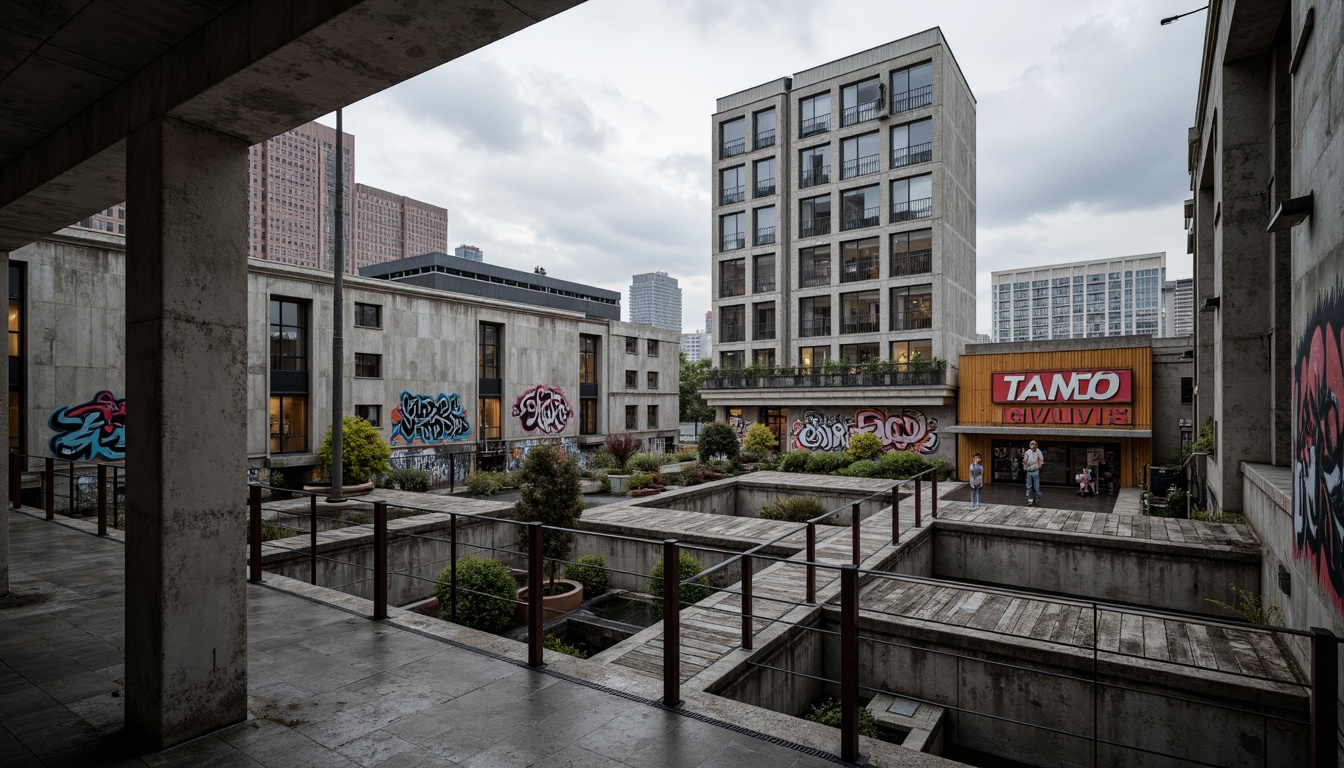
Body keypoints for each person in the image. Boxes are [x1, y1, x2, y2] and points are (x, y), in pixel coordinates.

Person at [1022, 440, 1044, 506]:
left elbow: (1041, 460)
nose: (1033, 446)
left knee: (1036, 486)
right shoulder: (1028, 452)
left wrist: (1039, 466)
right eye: (1032, 444)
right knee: (1029, 487)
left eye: (1034, 444)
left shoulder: (1038, 451)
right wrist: (1025, 464)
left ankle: (1038, 497)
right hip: (1029, 471)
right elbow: (1025, 460)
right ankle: (1030, 500)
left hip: (1036, 471)